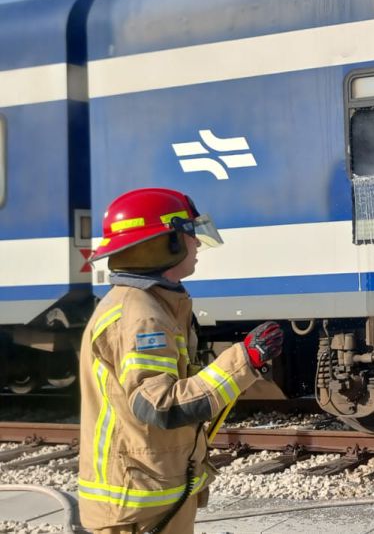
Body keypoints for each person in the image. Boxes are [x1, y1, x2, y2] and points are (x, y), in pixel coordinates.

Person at [78, 187, 284, 534]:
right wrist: (243, 361)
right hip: (138, 509)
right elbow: (158, 405)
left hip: (149, 495)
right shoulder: (141, 316)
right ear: (166, 242)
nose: (198, 244)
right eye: (190, 234)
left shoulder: (151, 305)